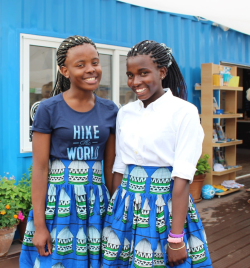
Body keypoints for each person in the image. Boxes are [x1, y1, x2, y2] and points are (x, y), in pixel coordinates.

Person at [102, 40, 212, 268]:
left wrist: (176, 238)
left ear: (162, 72)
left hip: (167, 209)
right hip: (126, 208)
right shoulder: (125, 113)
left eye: (144, 73)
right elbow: (120, 166)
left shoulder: (184, 112)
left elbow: (182, 178)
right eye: (130, 75)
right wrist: (115, 214)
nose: (135, 82)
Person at [19, 35, 118, 268]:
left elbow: (111, 167)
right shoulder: (48, 109)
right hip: (58, 203)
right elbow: (41, 169)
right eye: (80, 65)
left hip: (96, 205)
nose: (91, 69)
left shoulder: (110, 110)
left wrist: (115, 215)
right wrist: (40, 225)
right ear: (64, 70)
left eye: (95, 62)